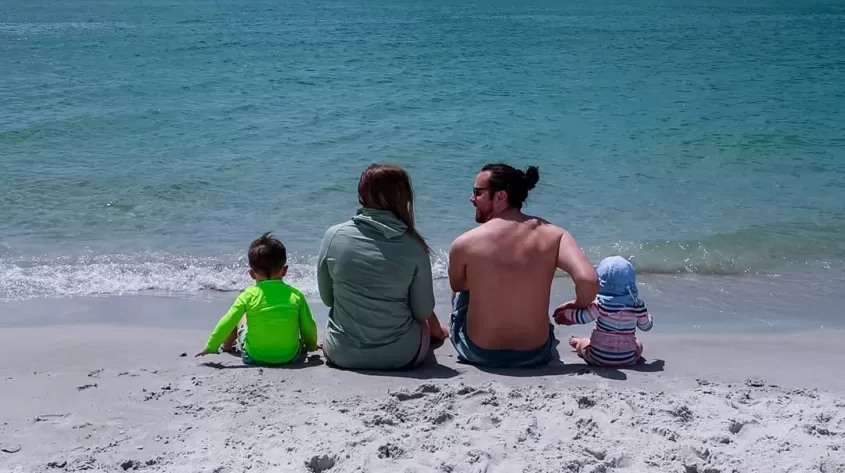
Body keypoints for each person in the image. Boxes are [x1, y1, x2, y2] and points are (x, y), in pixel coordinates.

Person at [447, 163, 598, 368]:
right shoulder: (555, 235)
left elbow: (458, 286)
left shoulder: (465, 242)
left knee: (461, 293)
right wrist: (578, 306)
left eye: (477, 192)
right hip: (534, 353)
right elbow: (588, 280)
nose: (471, 198)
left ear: (500, 196)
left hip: (479, 352)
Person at [317, 164, 448, 370]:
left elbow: (327, 299)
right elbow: (422, 311)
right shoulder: (414, 246)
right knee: (422, 323)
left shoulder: (333, 236)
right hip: (401, 355)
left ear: (361, 195)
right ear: (405, 197)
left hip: (342, 354)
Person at [196, 232, 319, 365]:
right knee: (296, 319)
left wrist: (210, 346)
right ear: (285, 270)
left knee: (239, 316)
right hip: (289, 356)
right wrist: (312, 346)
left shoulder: (247, 295)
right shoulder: (296, 295)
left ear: (251, 274)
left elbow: (227, 321)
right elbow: (309, 325)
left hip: (254, 356)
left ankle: (226, 347)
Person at [554, 256, 653, 367]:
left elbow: (582, 318)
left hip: (597, 357)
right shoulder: (637, 306)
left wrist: (566, 314)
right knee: (638, 344)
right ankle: (624, 354)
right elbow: (646, 327)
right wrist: (648, 317)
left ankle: (578, 343)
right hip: (628, 359)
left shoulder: (601, 305)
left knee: (584, 343)